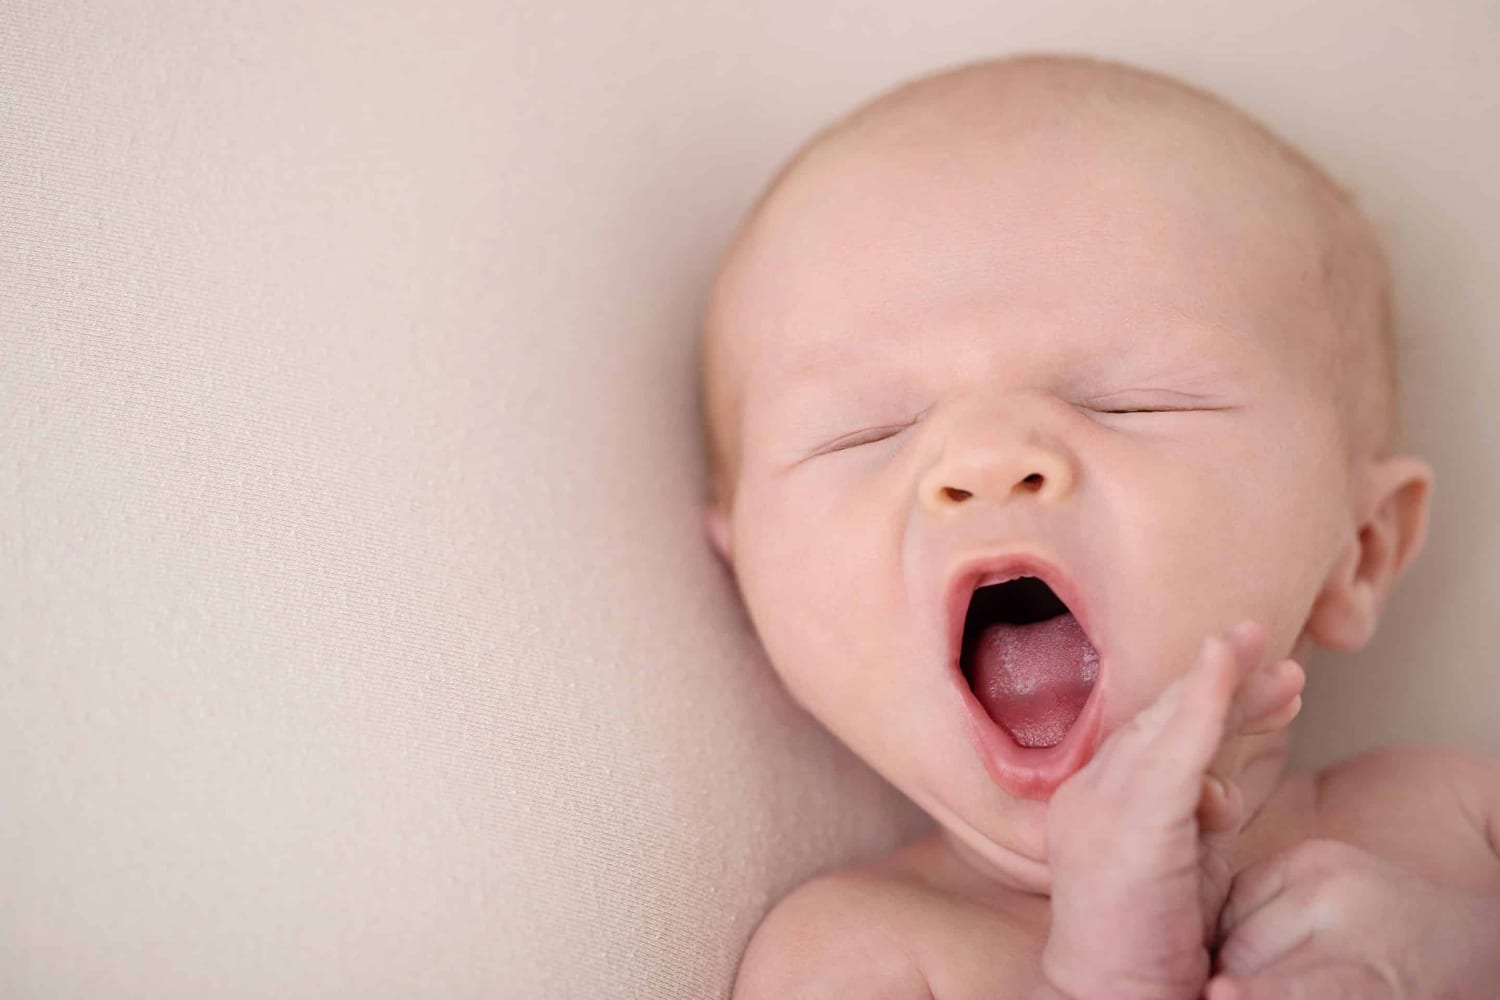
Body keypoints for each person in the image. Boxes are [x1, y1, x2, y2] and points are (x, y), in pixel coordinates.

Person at [698, 52, 1500, 998]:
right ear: (749, 583)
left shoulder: (1456, 820)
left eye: (1133, 402)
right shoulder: (854, 958)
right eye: (866, 432)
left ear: (1359, 550)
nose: (985, 459)